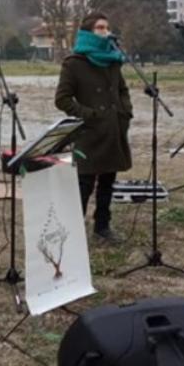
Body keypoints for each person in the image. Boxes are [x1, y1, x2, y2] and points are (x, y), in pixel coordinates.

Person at [55, 12, 133, 242]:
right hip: (90, 131)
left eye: (106, 27)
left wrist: (124, 112)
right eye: (100, 28)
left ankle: (102, 226)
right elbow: (62, 99)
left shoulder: (113, 60)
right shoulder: (74, 64)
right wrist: (89, 115)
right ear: (88, 32)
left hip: (113, 128)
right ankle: (73, 231)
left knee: (108, 180)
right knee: (84, 183)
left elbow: (122, 89)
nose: (105, 31)